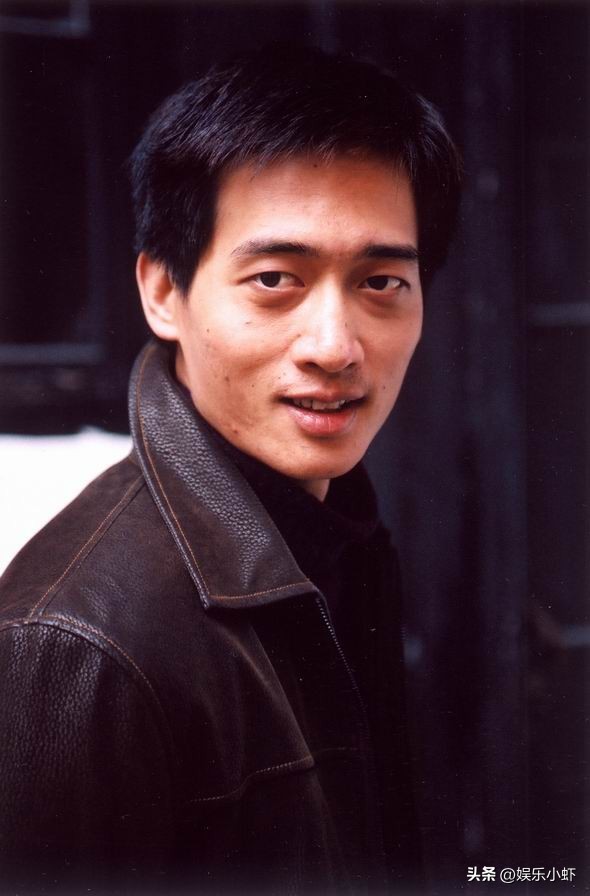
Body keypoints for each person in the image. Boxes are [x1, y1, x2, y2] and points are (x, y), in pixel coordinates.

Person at [0, 44, 460, 894]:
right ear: (162, 292)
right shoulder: (75, 649)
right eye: (276, 279)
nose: (335, 347)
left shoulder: (336, 535)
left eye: (382, 283)